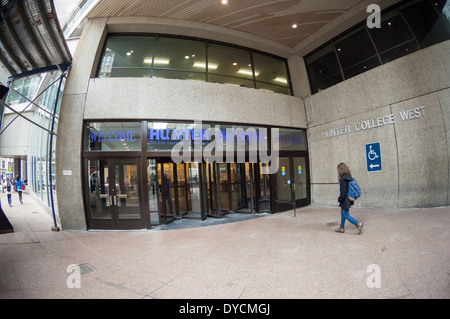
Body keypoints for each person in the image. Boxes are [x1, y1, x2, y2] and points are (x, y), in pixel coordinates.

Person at [335, 163, 363, 234]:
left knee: (346, 215)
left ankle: (358, 224)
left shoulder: (343, 179)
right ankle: (341, 227)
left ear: (340, 170)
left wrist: (340, 199)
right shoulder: (349, 177)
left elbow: (343, 192)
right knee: (343, 212)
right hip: (349, 198)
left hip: (345, 200)